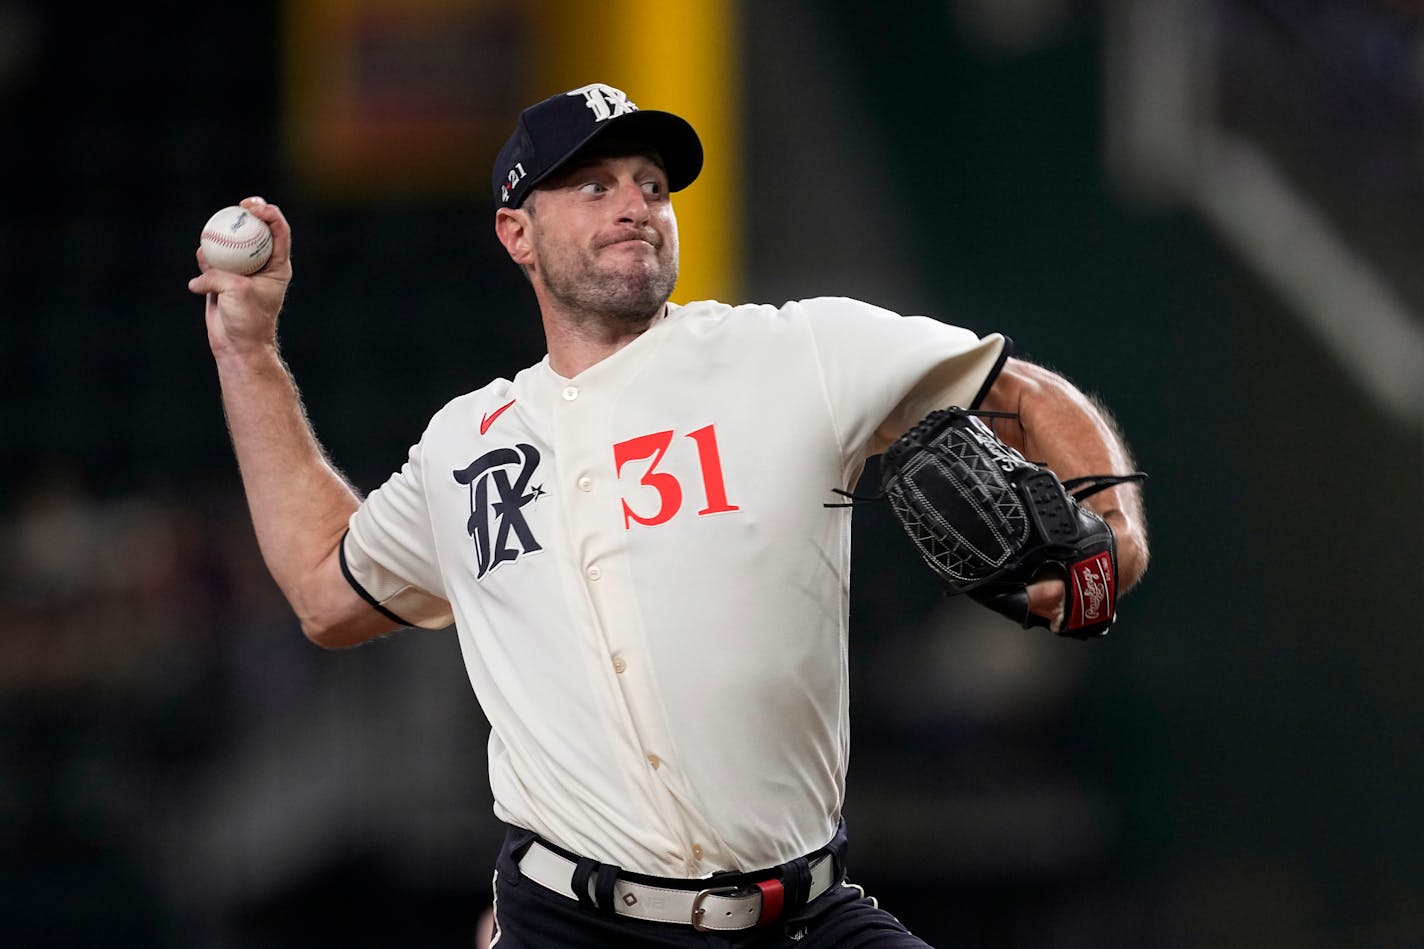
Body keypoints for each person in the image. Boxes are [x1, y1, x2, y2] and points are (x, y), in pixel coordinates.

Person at [188, 81, 1148, 948]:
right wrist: (248, 350)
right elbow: (325, 589)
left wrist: (1114, 535)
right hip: (569, 924)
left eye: (651, 182)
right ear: (516, 233)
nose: (636, 205)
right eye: (594, 186)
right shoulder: (464, 444)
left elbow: (1023, 392)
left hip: (801, 915)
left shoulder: (796, 350)